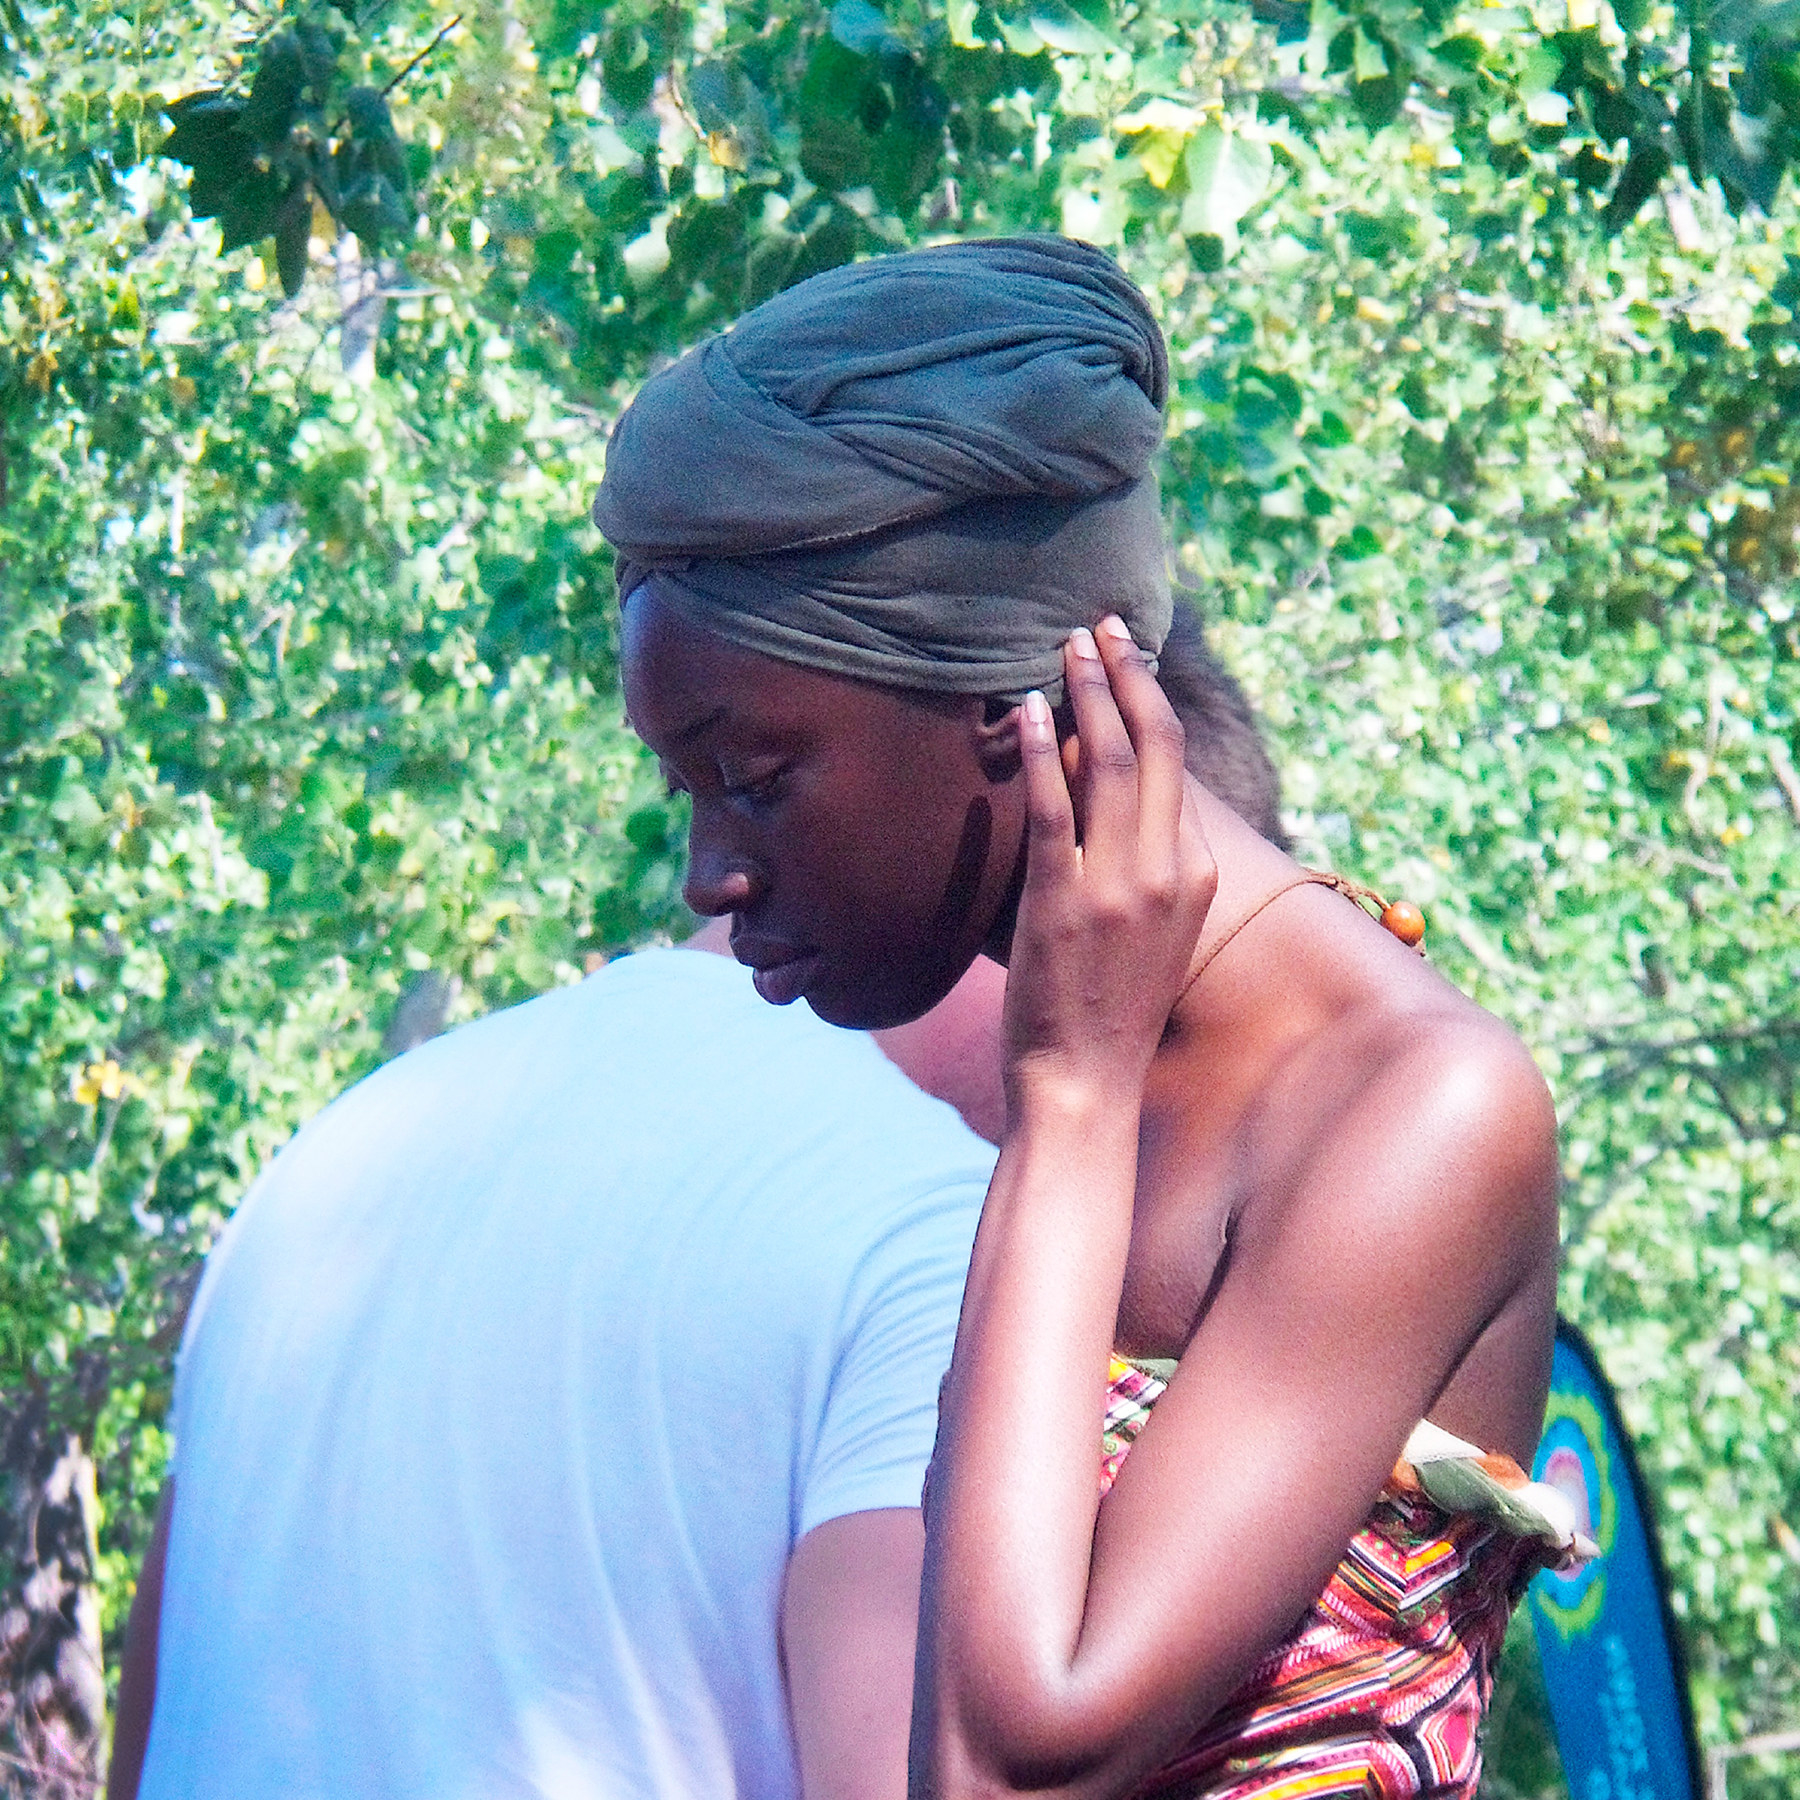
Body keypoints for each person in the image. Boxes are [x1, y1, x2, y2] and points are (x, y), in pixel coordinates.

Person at [596, 234, 1586, 1799]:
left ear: (1027, 705)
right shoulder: (1069, 1056)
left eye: (759, 776)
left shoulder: (1414, 1108)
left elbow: (1003, 1760)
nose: (713, 874)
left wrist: (1064, 1103)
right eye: (688, 793)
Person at [106, 604, 1290, 1800]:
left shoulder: (333, 1156)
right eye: (1168, 1011)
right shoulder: (923, 1235)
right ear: (1064, 874)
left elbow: (148, 1733)